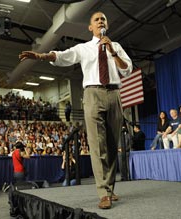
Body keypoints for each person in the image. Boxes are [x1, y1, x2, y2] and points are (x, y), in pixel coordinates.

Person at [19, 11, 132, 209]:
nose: (100, 21)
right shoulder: (84, 48)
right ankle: (103, 192)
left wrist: (112, 52)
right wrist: (41, 55)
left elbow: (127, 69)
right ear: (90, 27)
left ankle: (110, 188)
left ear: (107, 25)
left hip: (114, 94)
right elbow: (63, 56)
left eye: (103, 19)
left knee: (113, 146)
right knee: (97, 145)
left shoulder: (116, 46)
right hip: (92, 94)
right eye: (96, 19)